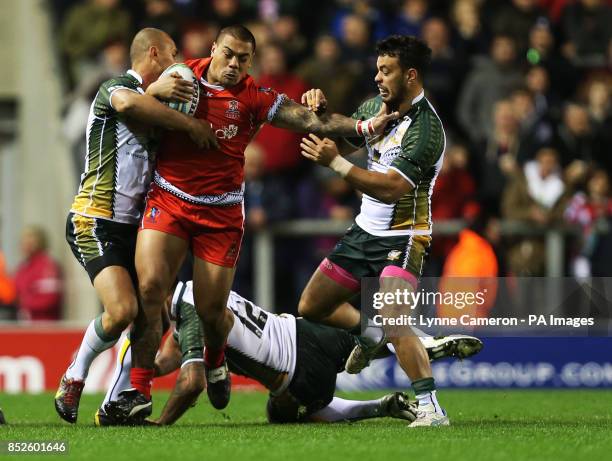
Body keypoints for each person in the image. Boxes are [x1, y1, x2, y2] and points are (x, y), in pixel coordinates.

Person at [118, 24, 399, 422]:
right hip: (170, 198)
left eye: (243, 58)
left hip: (221, 212)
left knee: (212, 310)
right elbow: (127, 104)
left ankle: (216, 360)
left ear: (251, 61)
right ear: (213, 48)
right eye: (228, 54)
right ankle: (138, 389)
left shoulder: (253, 97)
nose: (234, 64)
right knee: (149, 288)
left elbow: (310, 121)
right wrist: (152, 92)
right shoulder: (180, 77)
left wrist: (366, 126)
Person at [54, 27, 217, 424]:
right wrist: (188, 125)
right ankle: (76, 373)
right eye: (175, 53)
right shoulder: (115, 86)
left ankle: (118, 399)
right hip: (94, 219)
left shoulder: (159, 112)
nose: (179, 62)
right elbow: (128, 105)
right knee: (123, 308)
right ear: (155, 54)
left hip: (135, 227)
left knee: (155, 317)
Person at [297, 35, 451, 426]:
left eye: (387, 71)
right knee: (312, 306)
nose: (378, 77)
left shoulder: (427, 130)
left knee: (394, 316)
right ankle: (369, 337)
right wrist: (319, 110)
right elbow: (342, 140)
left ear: (411, 75)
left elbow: (392, 188)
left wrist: (335, 166)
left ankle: (431, 407)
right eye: (377, 69)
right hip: (364, 232)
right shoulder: (372, 108)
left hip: (404, 234)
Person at [99, 281, 482, 426]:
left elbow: (191, 381)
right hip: (302, 330)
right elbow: (167, 359)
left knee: (280, 413)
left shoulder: (190, 310)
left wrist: (160, 424)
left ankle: (378, 407)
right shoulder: (195, 292)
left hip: (298, 376)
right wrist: (135, 365)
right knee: (373, 342)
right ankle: (423, 340)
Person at [14, 226, 63, 321]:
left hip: (44, 324)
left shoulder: (47, 266)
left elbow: (49, 299)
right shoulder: (23, 267)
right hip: (25, 323)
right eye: (24, 239)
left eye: (30, 238)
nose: (26, 243)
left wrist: (23, 302)